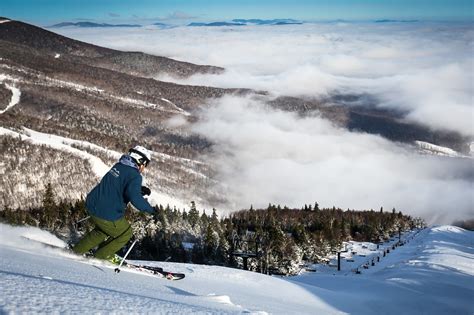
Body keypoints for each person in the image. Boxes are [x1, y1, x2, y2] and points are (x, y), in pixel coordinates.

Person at [72, 145, 155, 263]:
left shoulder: (119, 166)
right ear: (140, 160)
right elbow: (135, 198)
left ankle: (77, 251)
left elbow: (118, 183)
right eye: (145, 163)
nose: (144, 167)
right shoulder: (135, 175)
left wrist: (139, 189)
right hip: (107, 212)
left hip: (92, 204)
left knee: (103, 230)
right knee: (126, 233)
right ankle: (102, 256)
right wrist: (151, 210)